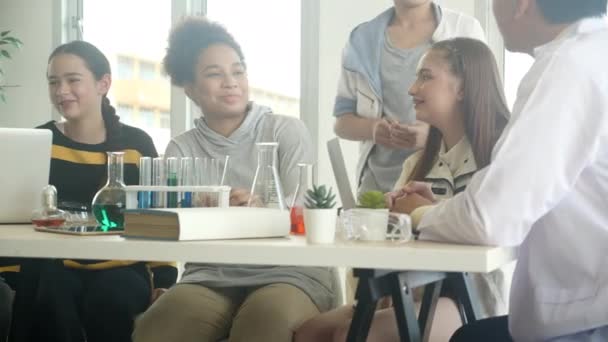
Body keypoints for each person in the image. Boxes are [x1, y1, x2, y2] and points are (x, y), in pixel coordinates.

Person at [396, 0, 608, 341]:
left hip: (586, 323)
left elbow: (491, 218)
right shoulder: (595, 54)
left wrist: (419, 214)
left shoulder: (569, 68)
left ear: (521, 5)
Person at [131, 17, 335, 342]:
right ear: (191, 89)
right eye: (215, 74)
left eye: (237, 71)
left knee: (264, 324)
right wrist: (200, 205)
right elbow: (171, 220)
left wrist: (261, 210)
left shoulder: (285, 130)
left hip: (290, 273)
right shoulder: (181, 148)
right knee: (159, 326)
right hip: (211, 274)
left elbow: (301, 212)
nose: (231, 82)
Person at [295, 37, 510, 342]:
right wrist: (387, 214)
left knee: (350, 335)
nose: (412, 89)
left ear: (462, 88)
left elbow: (489, 224)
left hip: (469, 297)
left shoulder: (499, 157)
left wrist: (421, 212)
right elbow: (397, 236)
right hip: (410, 289)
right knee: (310, 333)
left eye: (425, 77)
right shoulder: (416, 165)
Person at [18, 40, 177, 342]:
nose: (61, 90)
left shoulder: (136, 144)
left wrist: (165, 280)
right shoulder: (39, 141)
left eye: (72, 80)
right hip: (56, 264)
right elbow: (20, 213)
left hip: (124, 268)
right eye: (54, 82)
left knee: (109, 300)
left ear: (103, 83)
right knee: (50, 290)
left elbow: (158, 215)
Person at [333, 0, 486, 196]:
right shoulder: (361, 40)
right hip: (376, 189)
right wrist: (373, 129)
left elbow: (482, 110)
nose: (413, 89)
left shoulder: (466, 30)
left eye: (425, 76)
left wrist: (433, 138)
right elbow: (342, 122)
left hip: (442, 187)